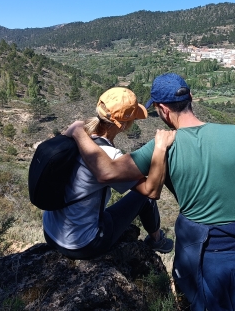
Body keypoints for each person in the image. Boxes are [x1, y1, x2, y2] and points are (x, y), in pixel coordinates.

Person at [64, 74, 235, 310]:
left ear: (164, 110)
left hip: (199, 250)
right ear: (191, 97)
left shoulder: (162, 146)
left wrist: (78, 132)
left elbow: (107, 172)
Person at [43, 87, 174, 260]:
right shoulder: (110, 157)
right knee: (144, 198)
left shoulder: (76, 136)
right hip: (82, 243)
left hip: (51, 232)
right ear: (123, 125)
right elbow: (151, 191)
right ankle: (157, 240)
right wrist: (160, 148)